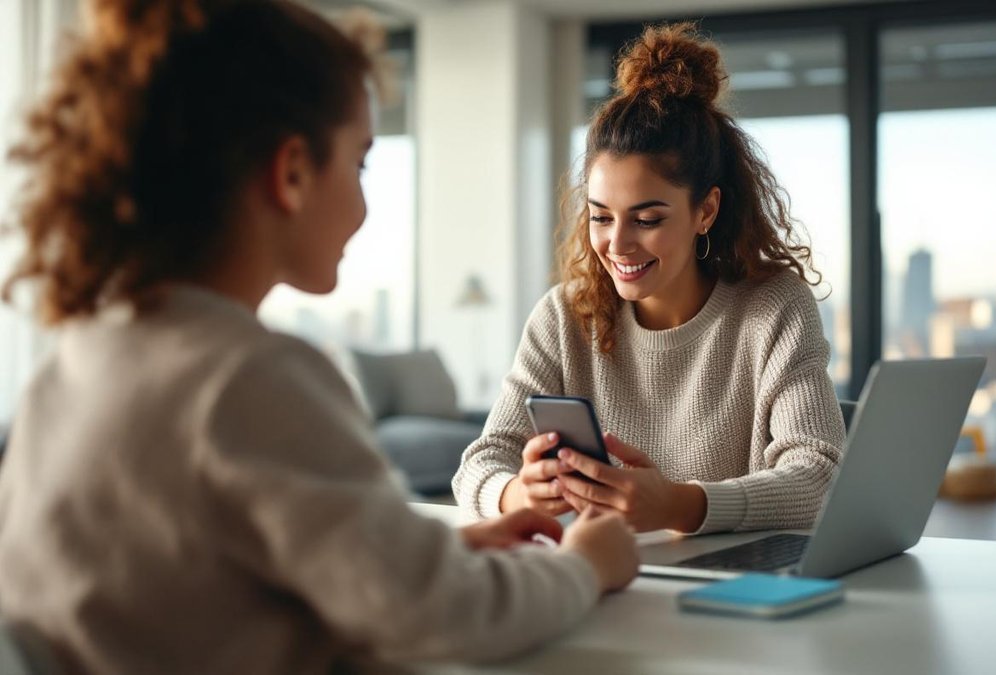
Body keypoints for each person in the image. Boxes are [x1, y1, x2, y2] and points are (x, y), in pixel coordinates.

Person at [0, 1, 637, 672]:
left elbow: (203, 578)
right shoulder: (252, 379)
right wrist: (584, 567)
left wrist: (441, 552)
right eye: (360, 164)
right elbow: (446, 616)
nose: (365, 203)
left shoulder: (75, 362)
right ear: (293, 172)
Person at [453, 22, 846, 535]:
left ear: (705, 210)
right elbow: (477, 465)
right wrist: (516, 492)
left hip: (729, 588)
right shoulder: (565, 315)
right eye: (600, 216)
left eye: (647, 219)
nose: (618, 244)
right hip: (605, 577)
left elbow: (821, 477)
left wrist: (679, 506)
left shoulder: (772, 308)